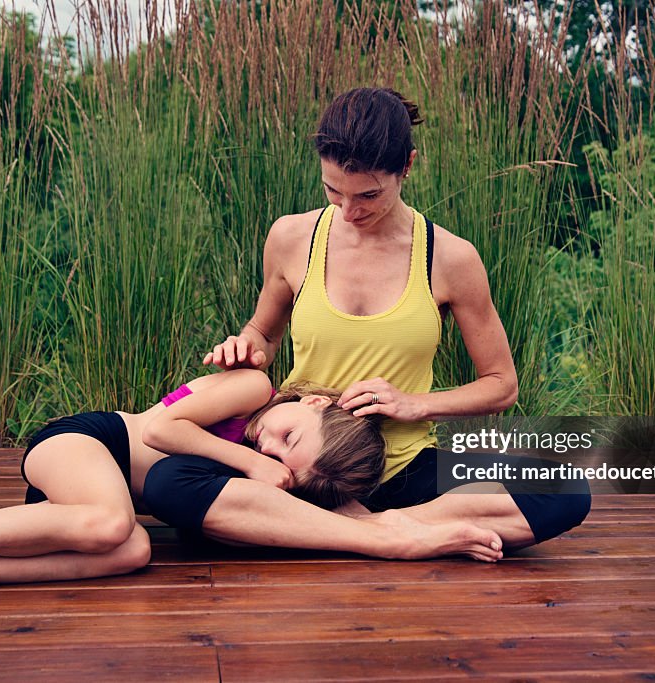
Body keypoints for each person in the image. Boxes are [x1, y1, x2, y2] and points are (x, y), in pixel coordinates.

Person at [141, 87, 591, 558]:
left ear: (407, 167)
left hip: (402, 469)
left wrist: (414, 404)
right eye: (333, 190)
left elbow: (501, 385)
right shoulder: (291, 237)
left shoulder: (451, 258)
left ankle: (370, 526)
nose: (349, 211)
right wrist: (245, 347)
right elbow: (263, 334)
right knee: (168, 481)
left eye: (368, 194)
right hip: (297, 468)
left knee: (563, 488)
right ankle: (381, 535)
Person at [0, 369, 388, 617]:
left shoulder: (268, 456)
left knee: (132, 551)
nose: (266, 444)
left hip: (104, 493)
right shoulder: (255, 388)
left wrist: (385, 524)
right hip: (88, 440)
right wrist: (251, 462)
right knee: (110, 525)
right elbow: (157, 430)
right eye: (286, 435)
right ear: (317, 403)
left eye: (278, 460)